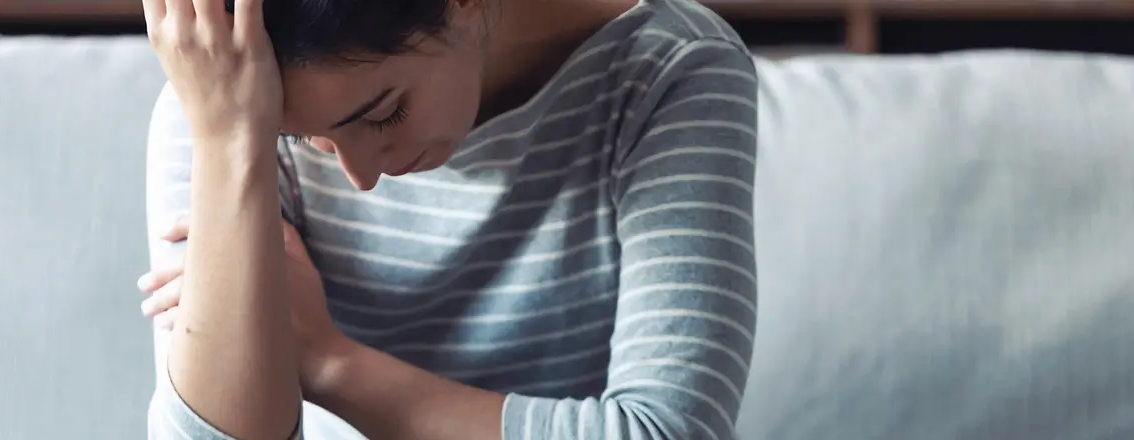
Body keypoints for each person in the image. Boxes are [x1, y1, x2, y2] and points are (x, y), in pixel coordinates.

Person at [137, 0, 758, 438]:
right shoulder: (227, 101)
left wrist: (331, 365)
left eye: (382, 114)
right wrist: (231, 144)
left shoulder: (670, 70)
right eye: (303, 140)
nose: (360, 176)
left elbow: (671, 433)